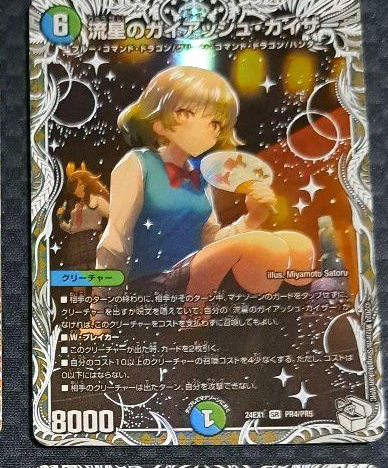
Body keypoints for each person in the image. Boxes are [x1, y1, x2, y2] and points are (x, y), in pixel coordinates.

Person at [96, 65, 315, 299]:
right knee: (267, 246)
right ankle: (194, 317)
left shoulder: (200, 176)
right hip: (151, 283)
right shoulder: (138, 163)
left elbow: (211, 242)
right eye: (188, 113)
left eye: (216, 124)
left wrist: (253, 218)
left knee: (298, 245)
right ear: (160, 121)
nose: (211, 129)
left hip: (196, 275)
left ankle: (282, 319)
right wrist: (100, 308)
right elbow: (115, 241)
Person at [55, 162, 110, 267]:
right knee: (77, 271)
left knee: (94, 269)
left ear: (86, 184)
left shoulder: (96, 200)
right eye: (74, 188)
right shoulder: (77, 207)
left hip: (92, 240)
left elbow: (113, 217)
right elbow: (72, 228)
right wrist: (60, 219)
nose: (75, 191)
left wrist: (105, 234)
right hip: (75, 244)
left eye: (78, 185)